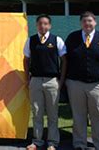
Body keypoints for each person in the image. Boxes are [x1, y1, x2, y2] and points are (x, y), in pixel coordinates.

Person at [65, 11, 99, 150]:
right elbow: (65, 60)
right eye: (84, 21)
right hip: (75, 84)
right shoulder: (72, 38)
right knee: (78, 116)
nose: (87, 24)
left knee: (97, 118)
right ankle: (80, 144)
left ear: (95, 22)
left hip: (97, 85)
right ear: (81, 23)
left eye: (90, 21)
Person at [24, 14, 67, 150]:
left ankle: (52, 142)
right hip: (35, 80)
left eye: (45, 24)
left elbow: (64, 60)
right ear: (36, 25)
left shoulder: (57, 40)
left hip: (52, 81)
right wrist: (27, 78)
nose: (43, 26)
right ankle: (37, 141)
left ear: (50, 25)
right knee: (37, 112)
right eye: (40, 24)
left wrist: (61, 80)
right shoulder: (30, 40)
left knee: (52, 113)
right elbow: (26, 60)